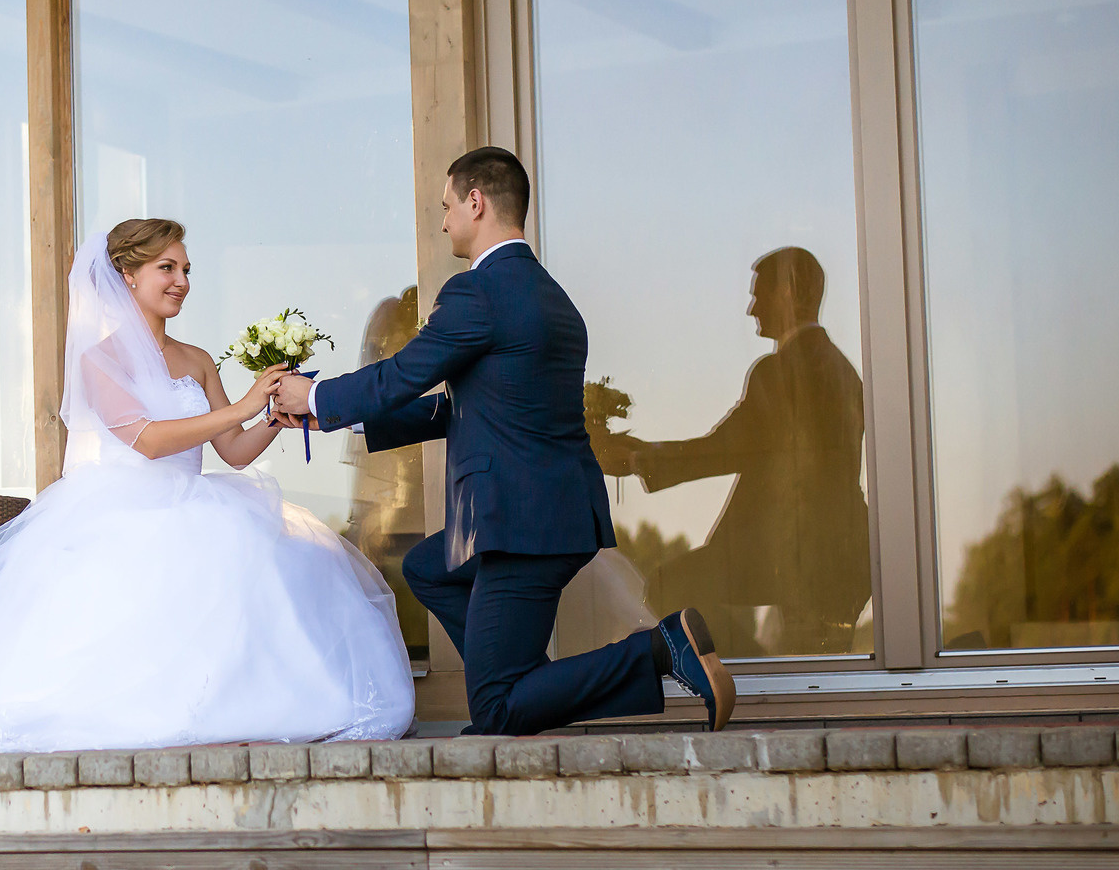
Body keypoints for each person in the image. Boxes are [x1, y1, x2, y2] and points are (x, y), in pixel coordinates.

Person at [0, 218, 415, 756]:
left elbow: (233, 451)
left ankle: (241, 714)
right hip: (122, 513)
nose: (182, 281)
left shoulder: (197, 360)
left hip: (198, 502)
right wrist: (244, 405)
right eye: (167, 268)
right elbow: (148, 440)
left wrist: (273, 413)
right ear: (127, 275)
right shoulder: (99, 360)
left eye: (186, 269)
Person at [271, 146, 738, 735]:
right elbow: (462, 407)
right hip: (554, 513)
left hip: (520, 525)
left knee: (495, 710)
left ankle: (660, 650)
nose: (444, 223)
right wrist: (348, 422)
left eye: (446, 207)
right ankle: (524, 686)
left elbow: (406, 372)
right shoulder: (551, 297)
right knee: (429, 568)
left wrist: (313, 397)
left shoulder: (480, 292)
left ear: (476, 202)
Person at [607, 247, 872, 657]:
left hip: (794, 551)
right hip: (846, 551)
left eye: (759, 295)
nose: (752, 309)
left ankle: (740, 673)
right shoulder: (844, 371)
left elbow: (724, 450)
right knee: (815, 666)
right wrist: (641, 453)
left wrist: (635, 459)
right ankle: (755, 671)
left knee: (669, 586)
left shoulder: (780, 371)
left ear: (787, 294)